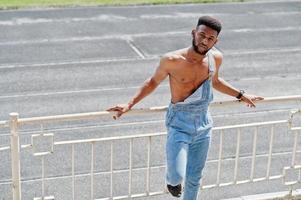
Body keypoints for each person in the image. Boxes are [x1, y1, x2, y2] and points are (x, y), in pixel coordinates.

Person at [107, 16, 264, 200]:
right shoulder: (172, 60)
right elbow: (152, 82)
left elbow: (216, 81)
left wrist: (241, 95)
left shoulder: (216, 58)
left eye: (210, 38)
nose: (205, 41)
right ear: (193, 33)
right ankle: (172, 183)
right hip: (179, 123)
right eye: (202, 35)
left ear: (216, 41)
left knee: (194, 178)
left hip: (204, 124)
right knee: (177, 176)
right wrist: (129, 104)